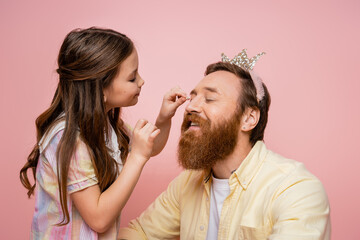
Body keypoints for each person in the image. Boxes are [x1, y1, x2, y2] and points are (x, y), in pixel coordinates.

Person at [119, 50, 331, 239]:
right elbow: (139, 233)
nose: (191, 107)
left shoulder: (296, 188)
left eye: (210, 99)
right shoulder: (187, 184)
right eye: (191, 98)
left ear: (248, 118)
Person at [19, 27, 187, 240]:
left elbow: (149, 147)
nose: (141, 82)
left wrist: (164, 118)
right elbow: (99, 219)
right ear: (100, 87)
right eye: (132, 77)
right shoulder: (67, 138)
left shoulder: (105, 125)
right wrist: (136, 158)